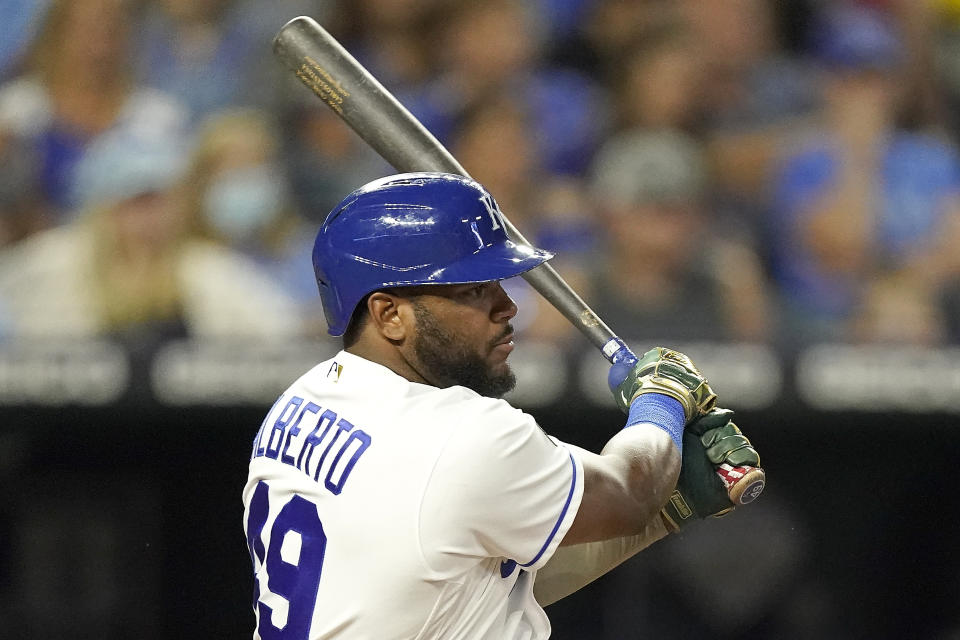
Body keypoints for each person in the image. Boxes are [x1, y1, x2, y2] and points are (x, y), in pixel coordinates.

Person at [242, 173, 762, 639]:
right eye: (472, 290)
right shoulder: (462, 434)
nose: (507, 306)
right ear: (390, 314)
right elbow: (628, 493)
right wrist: (662, 399)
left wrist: (670, 507)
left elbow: (477, 586)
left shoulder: (301, 402)